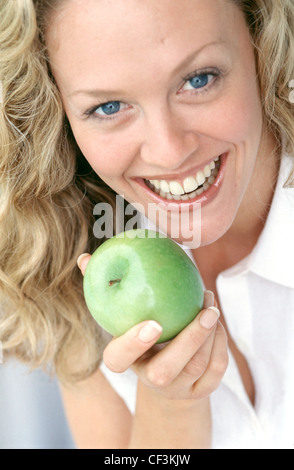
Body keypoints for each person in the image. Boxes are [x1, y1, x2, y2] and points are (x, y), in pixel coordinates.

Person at [0, 0, 293, 449]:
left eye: (199, 80)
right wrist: (171, 404)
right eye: (109, 106)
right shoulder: (73, 272)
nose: (169, 150)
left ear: (261, 44)